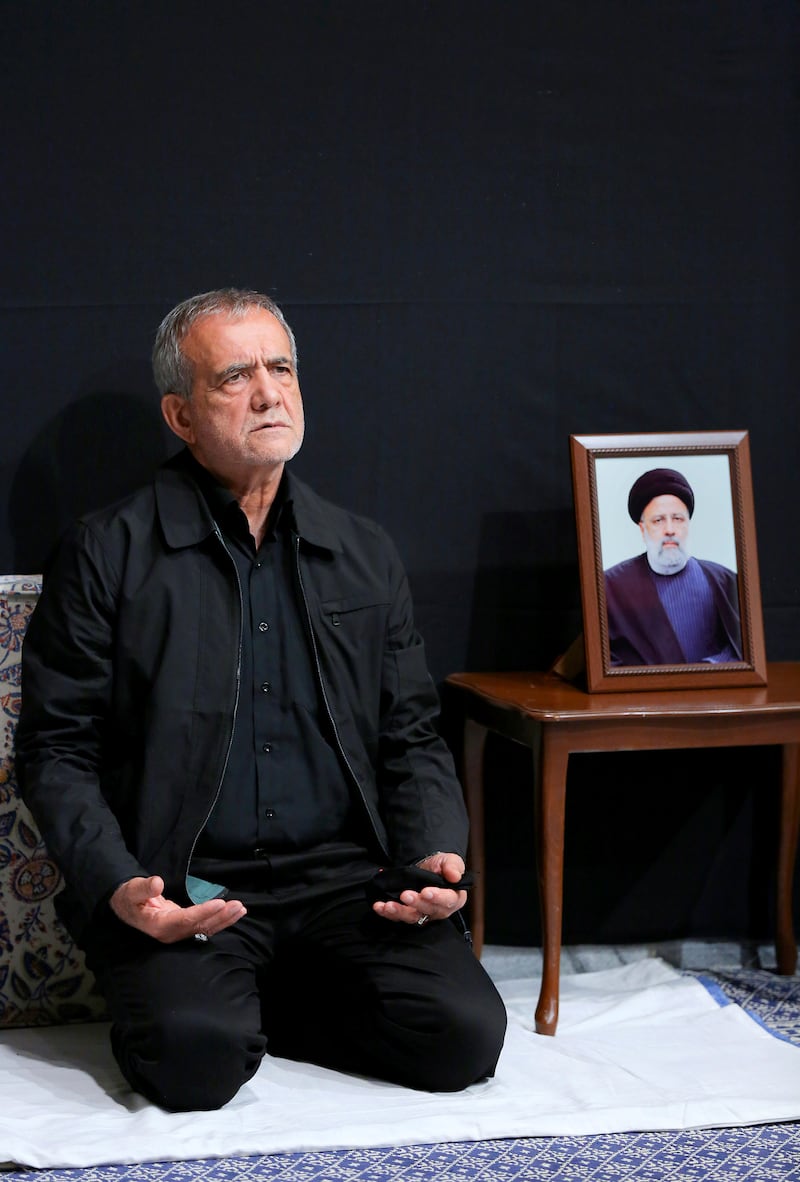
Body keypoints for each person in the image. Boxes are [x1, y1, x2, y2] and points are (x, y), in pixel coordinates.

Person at [16, 288, 506, 1112]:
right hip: (190, 884)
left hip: (342, 884)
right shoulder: (108, 552)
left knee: (463, 1035)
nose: (269, 393)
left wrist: (434, 855)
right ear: (179, 414)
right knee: (193, 1062)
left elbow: (412, 734)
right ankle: (221, 1009)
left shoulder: (362, 551)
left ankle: (259, 1001)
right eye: (234, 377)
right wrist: (120, 885)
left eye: (280, 368)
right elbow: (56, 749)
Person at [603, 467, 742, 667]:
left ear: (688, 524)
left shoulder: (724, 580)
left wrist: (706, 668)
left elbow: (742, 647)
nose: (669, 530)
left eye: (677, 519)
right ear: (643, 528)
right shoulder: (610, 587)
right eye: (658, 520)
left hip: (713, 694)